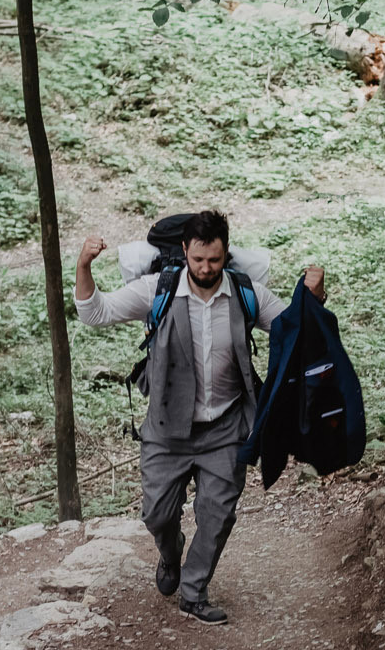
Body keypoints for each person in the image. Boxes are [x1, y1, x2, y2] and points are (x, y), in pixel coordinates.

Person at [73, 210, 325, 625]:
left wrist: (314, 296)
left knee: (218, 512)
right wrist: (84, 266)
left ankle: (194, 591)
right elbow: (94, 313)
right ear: (185, 252)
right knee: (156, 513)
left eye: (214, 260)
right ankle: (170, 552)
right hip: (166, 428)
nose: (206, 269)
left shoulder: (247, 295)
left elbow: (294, 331)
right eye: (198, 260)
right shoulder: (159, 289)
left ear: (225, 254)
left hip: (227, 425)